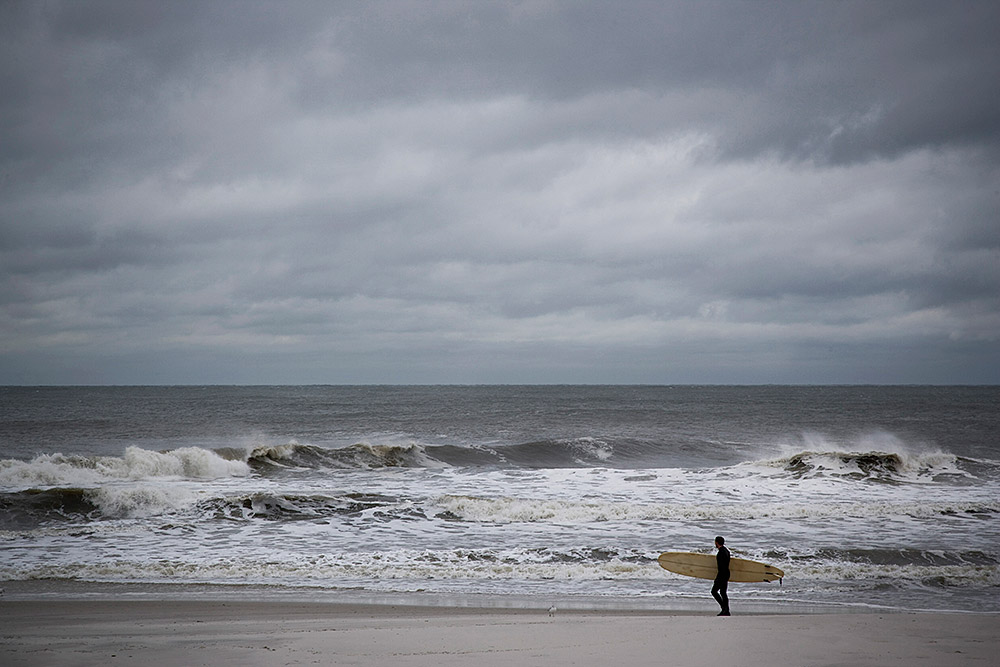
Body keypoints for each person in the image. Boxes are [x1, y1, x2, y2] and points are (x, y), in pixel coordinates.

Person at [712, 535, 731, 616]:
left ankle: (724, 608)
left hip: (722, 575)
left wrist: (718, 578)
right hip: (726, 574)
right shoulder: (726, 551)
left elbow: (721, 567)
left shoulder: (721, 553)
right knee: (723, 593)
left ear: (717, 542)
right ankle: (726, 610)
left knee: (714, 591)